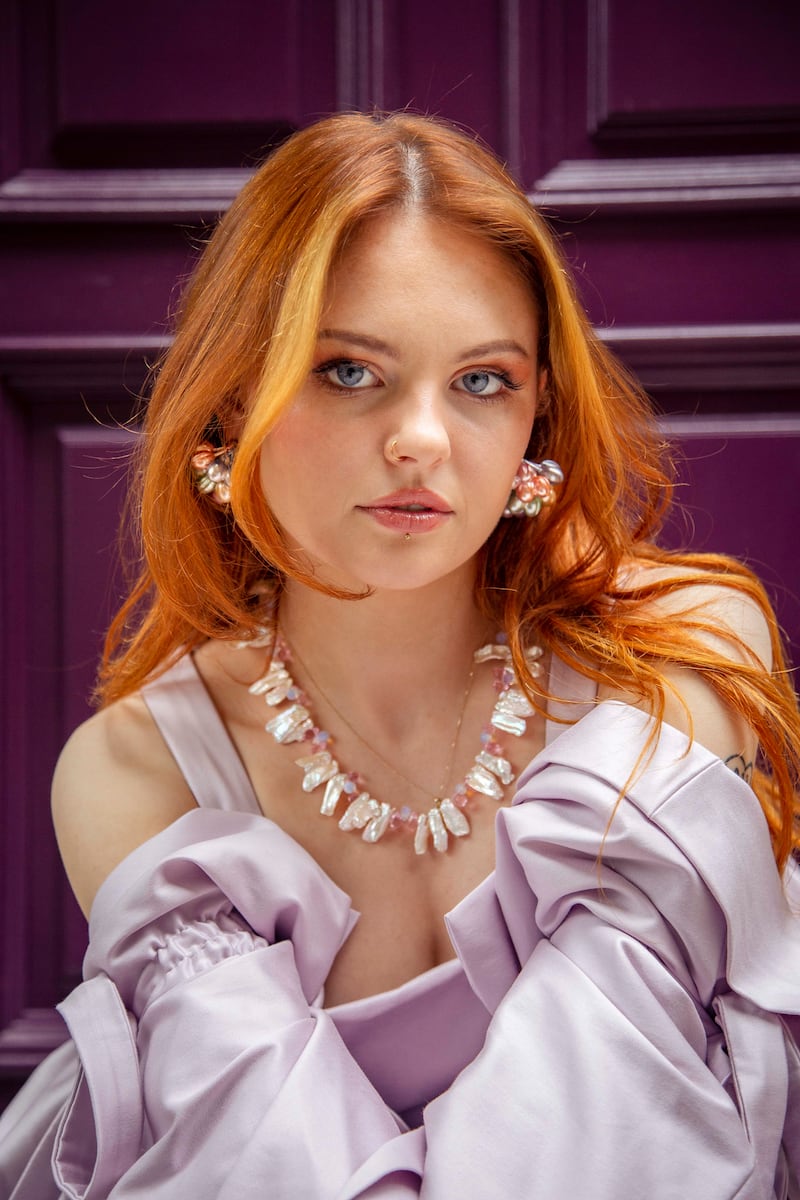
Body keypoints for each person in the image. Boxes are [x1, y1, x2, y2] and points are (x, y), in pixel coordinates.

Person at [1, 110, 799, 1200]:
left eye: (481, 382)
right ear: (235, 400)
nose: (420, 438)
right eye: (346, 371)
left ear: (535, 421)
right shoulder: (138, 774)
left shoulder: (681, 654)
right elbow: (284, 1172)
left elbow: (605, 1136)